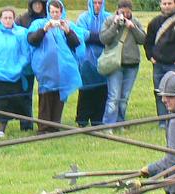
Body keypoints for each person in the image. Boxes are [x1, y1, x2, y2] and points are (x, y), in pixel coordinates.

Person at [27, 0, 84, 134]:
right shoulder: (39, 24)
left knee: (59, 98)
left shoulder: (67, 25)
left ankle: (55, 126)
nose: (54, 15)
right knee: (46, 97)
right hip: (45, 69)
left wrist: (68, 31)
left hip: (63, 70)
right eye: (52, 12)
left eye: (57, 12)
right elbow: (32, 40)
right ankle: (44, 127)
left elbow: (76, 44)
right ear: (48, 11)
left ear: (61, 12)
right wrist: (44, 30)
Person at [0, 7, 32, 137]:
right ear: (0, 19)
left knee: (6, 103)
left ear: (14, 19)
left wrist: (19, 67)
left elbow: (25, 53)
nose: (8, 20)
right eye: (5, 18)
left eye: (10, 18)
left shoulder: (20, 34)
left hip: (13, 75)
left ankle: (2, 130)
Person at [99, 0, 146, 126]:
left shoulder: (135, 22)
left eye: (127, 12)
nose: (125, 15)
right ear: (118, 10)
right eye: (122, 12)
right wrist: (115, 25)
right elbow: (103, 39)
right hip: (115, 64)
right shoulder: (109, 20)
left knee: (124, 97)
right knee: (114, 96)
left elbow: (143, 39)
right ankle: (108, 124)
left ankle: (120, 122)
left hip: (132, 64)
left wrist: (133, 28)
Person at [76, 0, 112, 127]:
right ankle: (82, 120)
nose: (97, 6)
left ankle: (98, 120)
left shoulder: (108, 17)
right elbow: (82, 35)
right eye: (95, 3)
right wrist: (102, 37)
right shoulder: (83, 18)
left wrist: (94, 37)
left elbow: (111, 37)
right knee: (86, 92)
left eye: (99, 3)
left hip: (105, 59)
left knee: (102, 91)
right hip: (87, 60)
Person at [15, 0, 48, 131]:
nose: (38, 6)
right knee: (25, 94)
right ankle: (26, 124)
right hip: (27, 63)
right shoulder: (22, 19)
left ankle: (46, 122)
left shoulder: (48, 17)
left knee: (46, 93)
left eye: (40, 3)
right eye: (35, 3)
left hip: (44, 61)